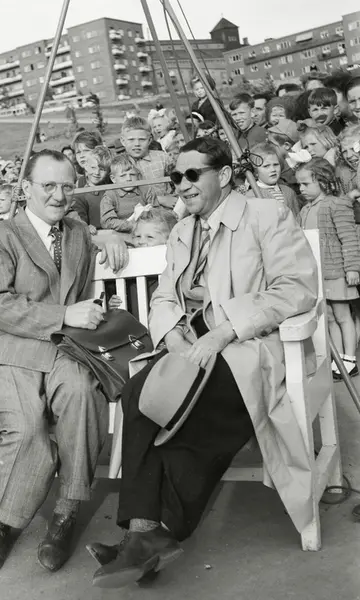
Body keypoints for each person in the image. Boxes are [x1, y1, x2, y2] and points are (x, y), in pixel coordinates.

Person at [89, 137, 318, 588]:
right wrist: (172, 333)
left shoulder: (266, 215)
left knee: (190, 406)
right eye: (177, 176)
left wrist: (227, 329)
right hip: (191, 346)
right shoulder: (182, 231)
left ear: (225, 174)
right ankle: (145, 534)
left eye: (193, 174)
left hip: (249, 346)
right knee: (137, 393)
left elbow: (296, 287)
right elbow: (164, 296)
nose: (183, 184)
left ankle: (154, 532)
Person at [0, 149, 129, 575]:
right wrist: (64, 315)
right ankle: (3, 520)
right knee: (25, 424)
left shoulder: (75, 233)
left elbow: (91, 234)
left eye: (67, 186)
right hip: (8, 348)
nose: (59, 195)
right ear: (25, 188)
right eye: (49, 186)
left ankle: (66, 510)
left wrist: (107, 236)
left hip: (64, 350)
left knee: (82, 394)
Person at [297, 158, 360, 378]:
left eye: (306, 183)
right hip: (319, 272)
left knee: (343, 315)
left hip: (337, 271)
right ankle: (339, 357)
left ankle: (350, 358)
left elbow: (349, 238)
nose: (301, 188)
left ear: (322, 181)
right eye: (299, 184)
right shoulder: (305, 209)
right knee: (330, 317)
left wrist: (352, 268)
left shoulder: (337, 204)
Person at [100, 155, 162, 233]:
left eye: (132, 174)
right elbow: (107, 222)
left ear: (138, 175)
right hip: (121, 235)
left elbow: (158, 215)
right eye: (123, 176)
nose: (128, 179)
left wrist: (148, 214)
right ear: (113, 179)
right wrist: (133, 224)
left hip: (146, 232)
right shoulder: (110, 196)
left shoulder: (147, 190)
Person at [121, 116, 173, 197]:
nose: (137, 144)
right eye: (131, 140)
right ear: (123, 141)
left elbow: (178, 182)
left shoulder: (163, 158)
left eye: (142, 139)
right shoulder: (118, 164)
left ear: (149, 140)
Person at [247, 142, 300, 220]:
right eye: (266, 166)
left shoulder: (289, 192)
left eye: (276, 164)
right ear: (255, 171)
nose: (273, 169)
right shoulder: (252, 195)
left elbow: (297, 218)